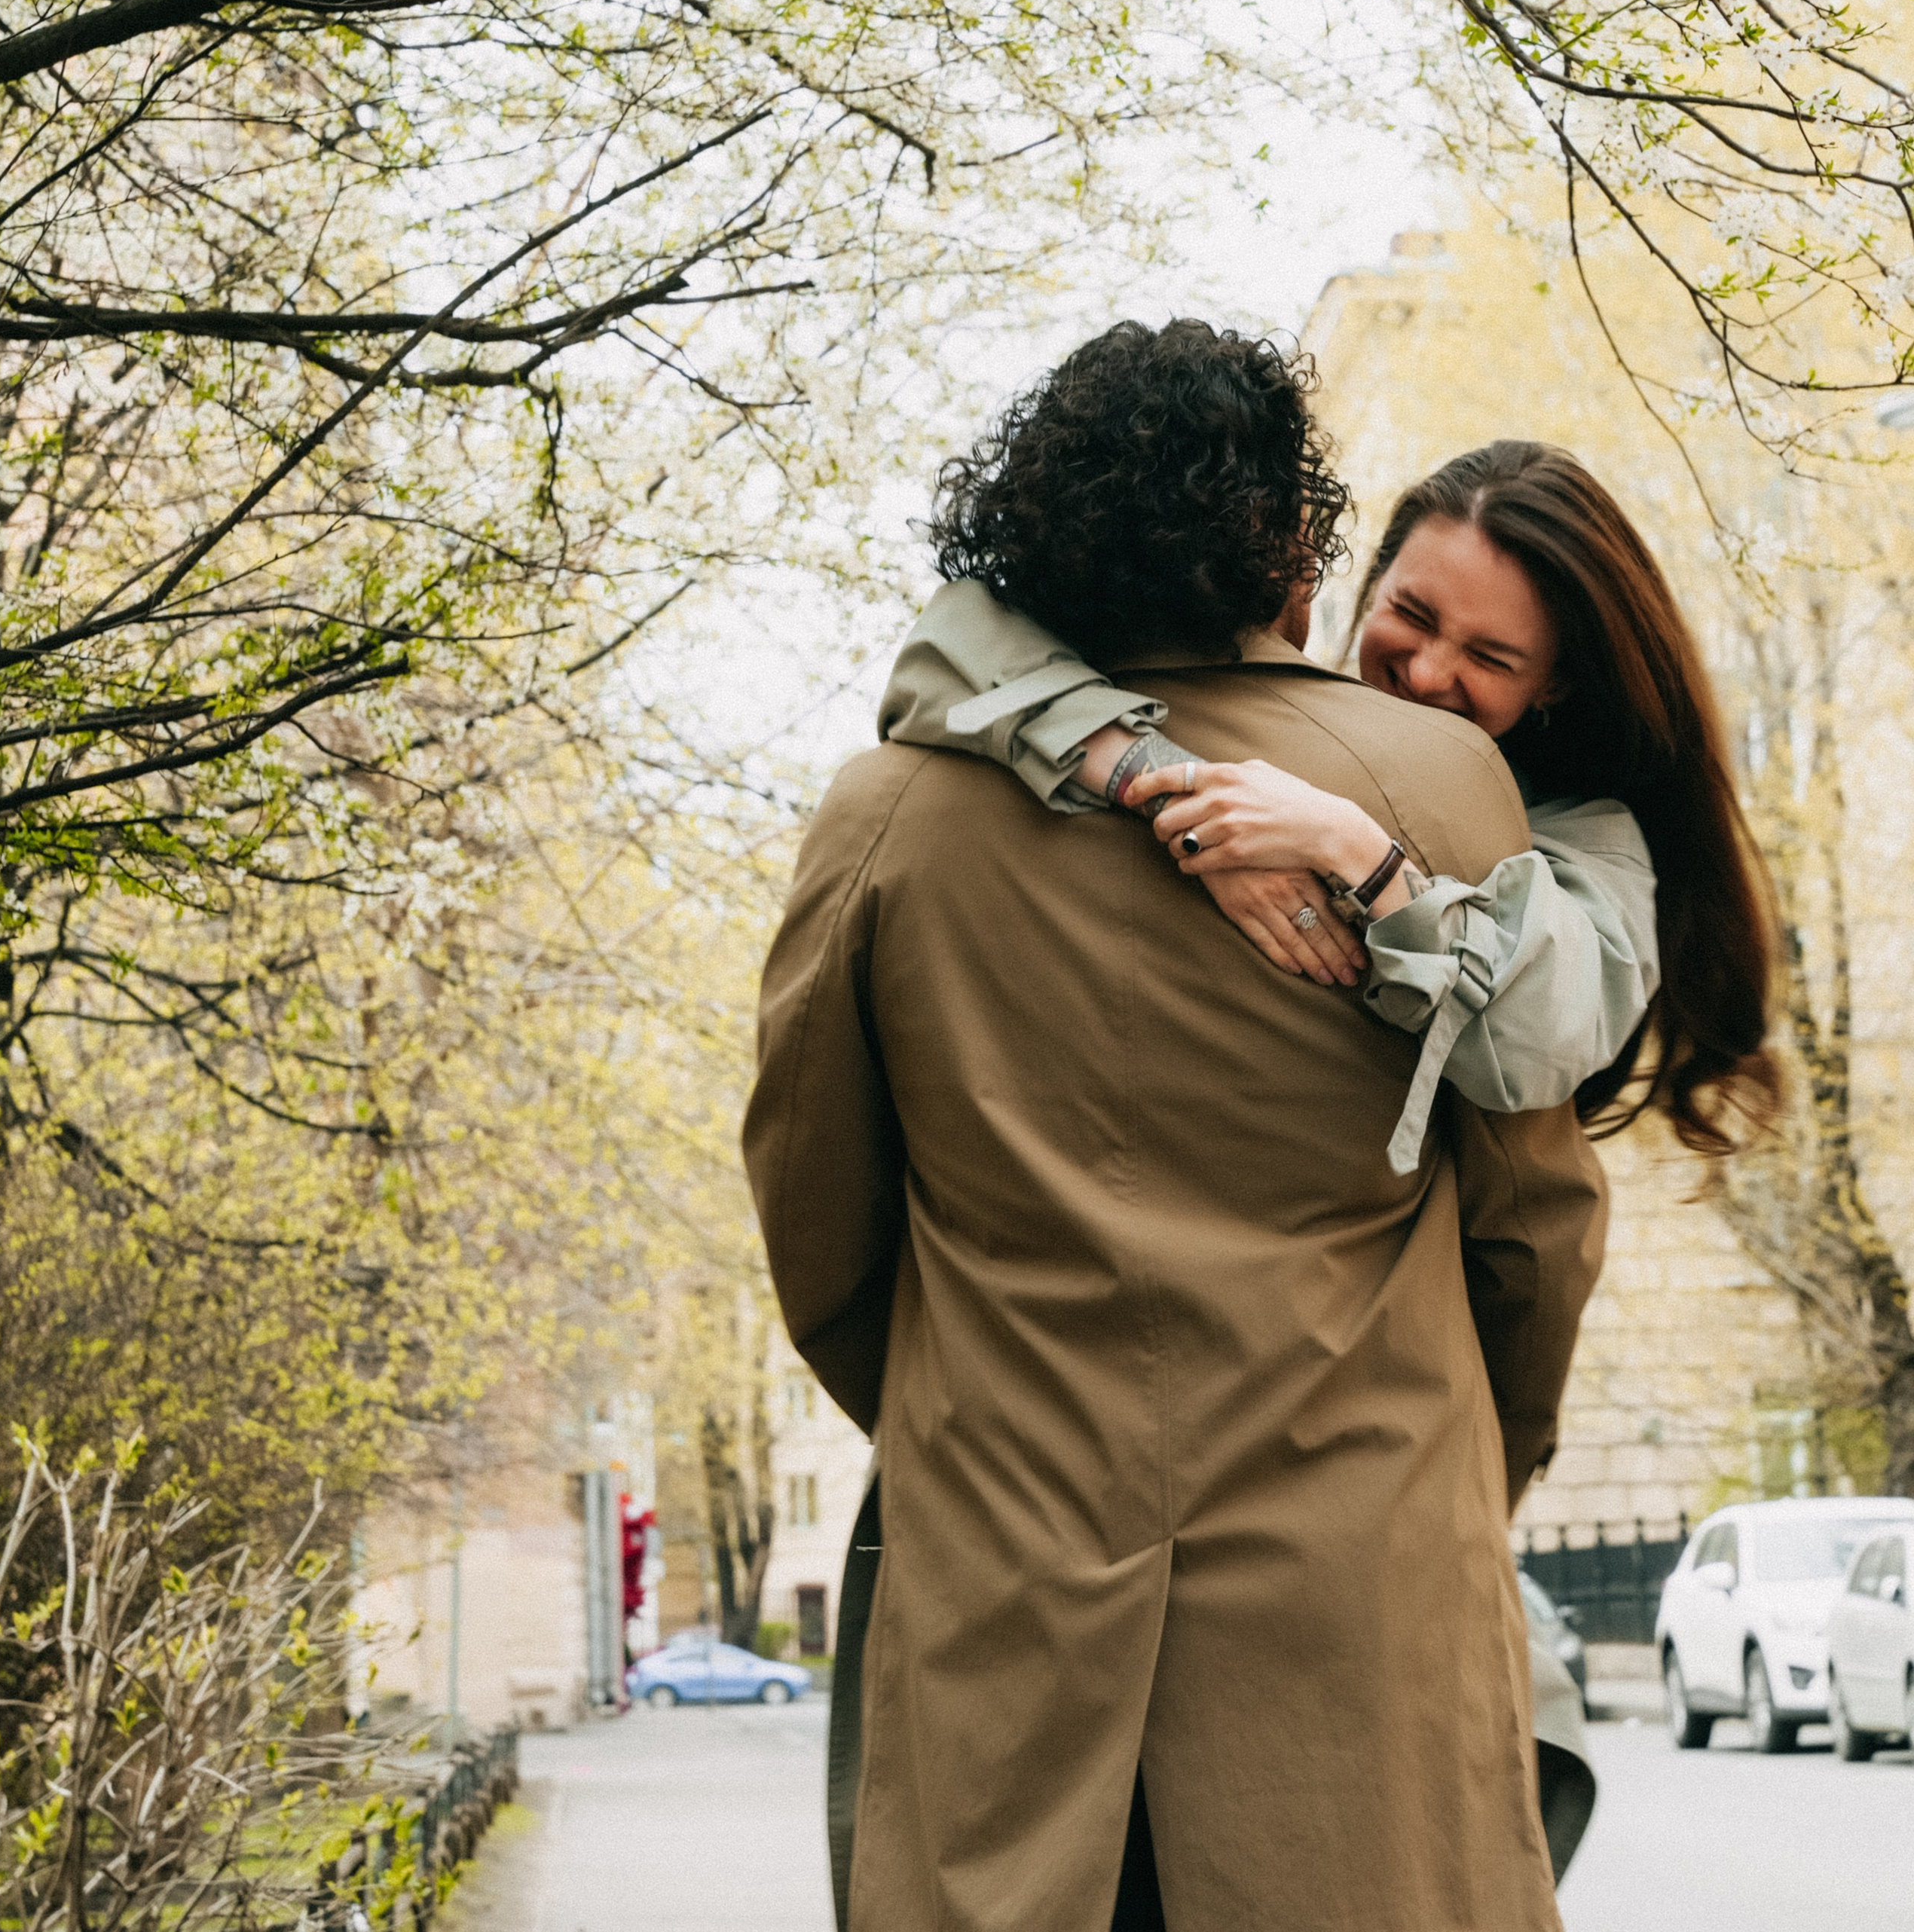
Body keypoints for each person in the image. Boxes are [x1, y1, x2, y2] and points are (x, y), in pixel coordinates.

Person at [745, 321, 1610, 1932]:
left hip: (1005, 1588)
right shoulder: (1436, 789)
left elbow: (819, 1228)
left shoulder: (880, 822)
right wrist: (1455, 1467)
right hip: (1358, 1593)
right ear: (1291, 549)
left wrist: (972, 1413)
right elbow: (1533, 1227)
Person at [884, 436, 1781, 1176]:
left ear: (1556, 683)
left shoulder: (1589, 837)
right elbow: (953, 640)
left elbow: (1542, 1038)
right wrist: (1157, 780)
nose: (1427, 673)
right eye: (1413, 614)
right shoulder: (1254, 720)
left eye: (1491, 658)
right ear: (1369, 577)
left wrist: (1361, 855)